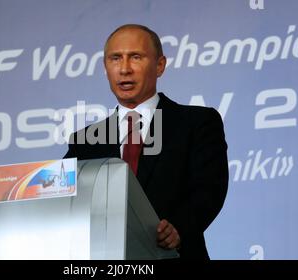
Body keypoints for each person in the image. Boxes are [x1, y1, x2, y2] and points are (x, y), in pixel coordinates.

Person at [64, 24, 228, 260]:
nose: (124, 69)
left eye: (136, 57)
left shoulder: (197, 122)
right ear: (105, 67)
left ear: (160, 65)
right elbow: (61, 196)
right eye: (115, 58)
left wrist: (179, 228)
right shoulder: (84, 141)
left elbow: (209, 189)